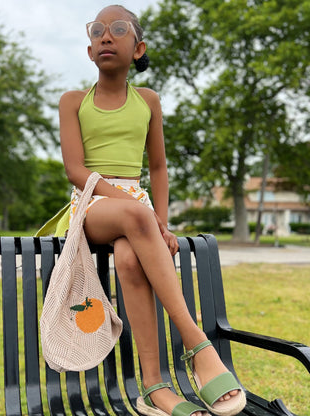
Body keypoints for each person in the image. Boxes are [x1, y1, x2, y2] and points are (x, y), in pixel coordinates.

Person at [45, 5, 246, 416]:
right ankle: (198, 345)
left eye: (117, 30)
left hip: (137, 211)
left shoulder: (148, 101)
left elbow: (157, 167)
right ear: (88, 51)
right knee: (135, 219)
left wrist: (160, 222)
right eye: (97, 30)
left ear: (138, 48)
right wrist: (143, 214)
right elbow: (76, 170)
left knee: (129, 258)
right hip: (90, 204)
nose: (105, 36)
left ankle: (153, 387)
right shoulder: (72, 101)